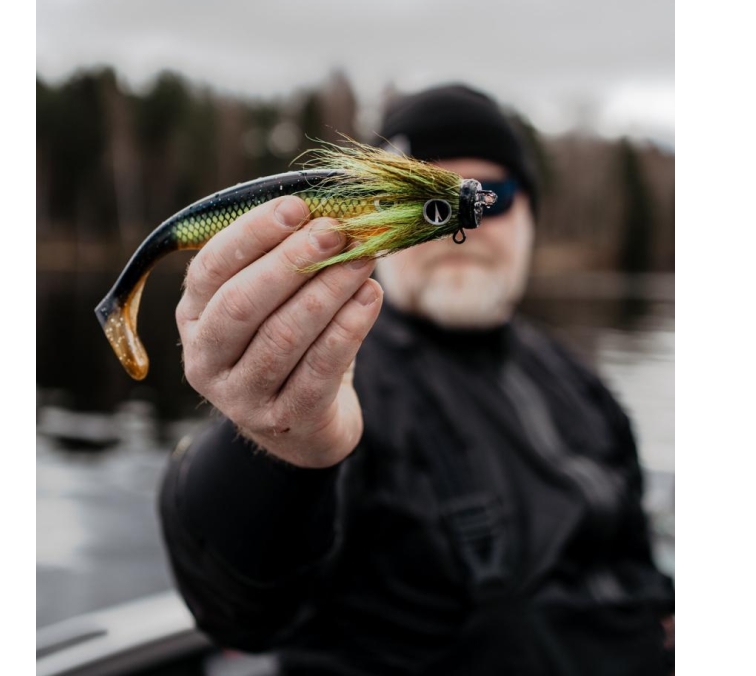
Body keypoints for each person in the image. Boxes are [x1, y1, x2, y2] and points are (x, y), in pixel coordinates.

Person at [159, 84, 674, 675]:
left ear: (530, 217)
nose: (463, 224)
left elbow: (634, 561)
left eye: (494, 195)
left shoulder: (581, 385)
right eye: (425, 199)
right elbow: (240, 609)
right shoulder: (337, 374)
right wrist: (281, 447)